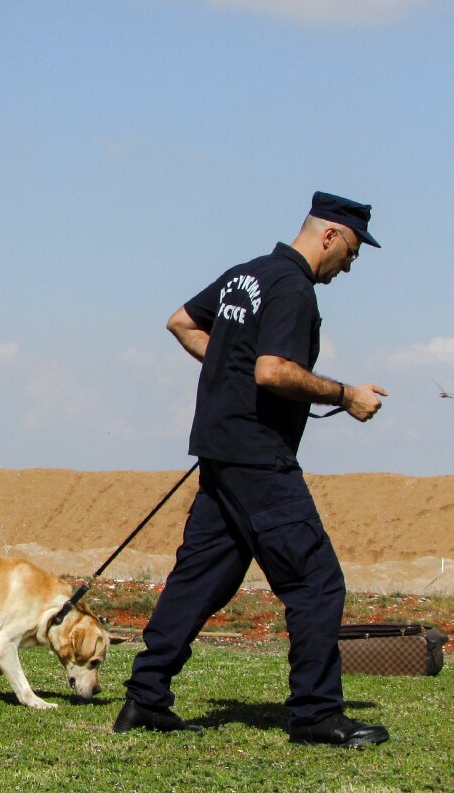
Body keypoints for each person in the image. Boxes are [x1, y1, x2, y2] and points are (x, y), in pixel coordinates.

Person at [113, 192, 389, 747]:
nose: (352, 264)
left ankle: (145, 699)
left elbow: (181, 323)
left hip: (220, 451)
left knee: (201, 579)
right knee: (315, 583)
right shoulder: (293, 287)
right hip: (260, 459)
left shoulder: (247, 276)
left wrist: (227, 364)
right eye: (354, 250)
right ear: (330, 235)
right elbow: (272, 370)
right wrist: (346, 394)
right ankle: (316, 714)